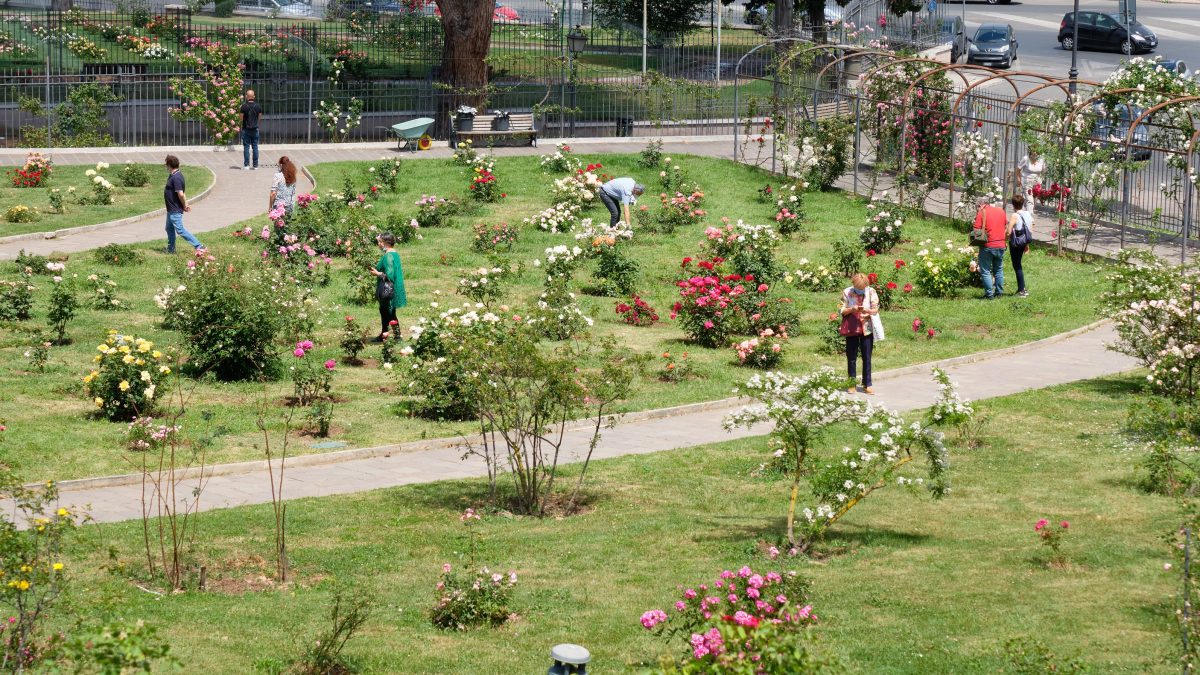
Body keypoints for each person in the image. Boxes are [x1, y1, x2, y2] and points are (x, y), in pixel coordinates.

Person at [840, 273, 880, 395]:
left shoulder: (871, 292)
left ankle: (867, 384)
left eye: (863, 288)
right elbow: (841, 310)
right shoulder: (847, 292)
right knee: (851, 357)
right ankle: (851, 384)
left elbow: (876, 308)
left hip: (866, 328)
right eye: (859, 288)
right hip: (852, 328)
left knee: (867, 357)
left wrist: (868, 311)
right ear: (854, 284)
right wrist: (852, 309)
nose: (861, 290)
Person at [369, 232, 407, 342]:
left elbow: (389, 275)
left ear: (385, 243)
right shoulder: (394, 253)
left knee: (389, 312)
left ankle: (397, 337)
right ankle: (384, 334)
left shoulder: (388, 256)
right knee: (385, 311)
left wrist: (378, 274)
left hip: (388, 288)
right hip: (392, 288)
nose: (378, 244)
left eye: (380, 242)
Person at [163, 155, 205, 254]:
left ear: (169, 165)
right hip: (171, 209)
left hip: (175, 209)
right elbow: (182, 192)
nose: (166, 167)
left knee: (180, 230)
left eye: (166, 165)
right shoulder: (175, 175)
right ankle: (171, 250)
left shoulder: (176, 177)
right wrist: (185, 204)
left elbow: (181, 194)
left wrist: (184, 205)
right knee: (169, 228)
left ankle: (199, 246)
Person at [972, 196, 1010, 299]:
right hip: (1001, 244)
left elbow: (976, 231)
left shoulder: (982, 213)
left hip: (988, 245)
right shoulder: (1001, 211)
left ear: (980, 205)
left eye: (977, 207)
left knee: (985, 271)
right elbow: (1005, 226)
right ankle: (999, 293)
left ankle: (989, 295)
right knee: (998, 270)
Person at [1008, 193, 1033, 297]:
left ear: (1013, 205)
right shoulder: (1027, 214)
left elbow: (1009, 230)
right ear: (1023, 204)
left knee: (1017, 265)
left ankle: (1022, 290)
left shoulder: (1015, 215)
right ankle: (1021, 288)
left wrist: (1005, 240)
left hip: (1016, 243)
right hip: (1024, 241)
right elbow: (1030, 229)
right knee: (1018, 264)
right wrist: (1027, 245)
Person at [240, 90, 262, 171]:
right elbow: (259, 117)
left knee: (246, 147)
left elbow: (241, 118)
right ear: (254, 96)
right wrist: (256, 123)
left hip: (246, 129)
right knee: (255, 147)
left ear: (246, 96)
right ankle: (255, 165)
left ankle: (246, 165)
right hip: (255, 129)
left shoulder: (244, 106)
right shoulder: (258, 106)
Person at [1016, 149, 1044, 213]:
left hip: (1037, 183)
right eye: (1033, 150)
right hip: (1027, 182)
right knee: (1030, 200)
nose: (1035, 152)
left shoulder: (1041, 160)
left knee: (1033, 201)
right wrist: (1018, 179)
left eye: (1036, 151)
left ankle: (1025, 213)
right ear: (1030, 151)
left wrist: (1041, 179)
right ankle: (1030, 217)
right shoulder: (1026, 159)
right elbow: (1018, 169)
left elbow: (1043, 171)